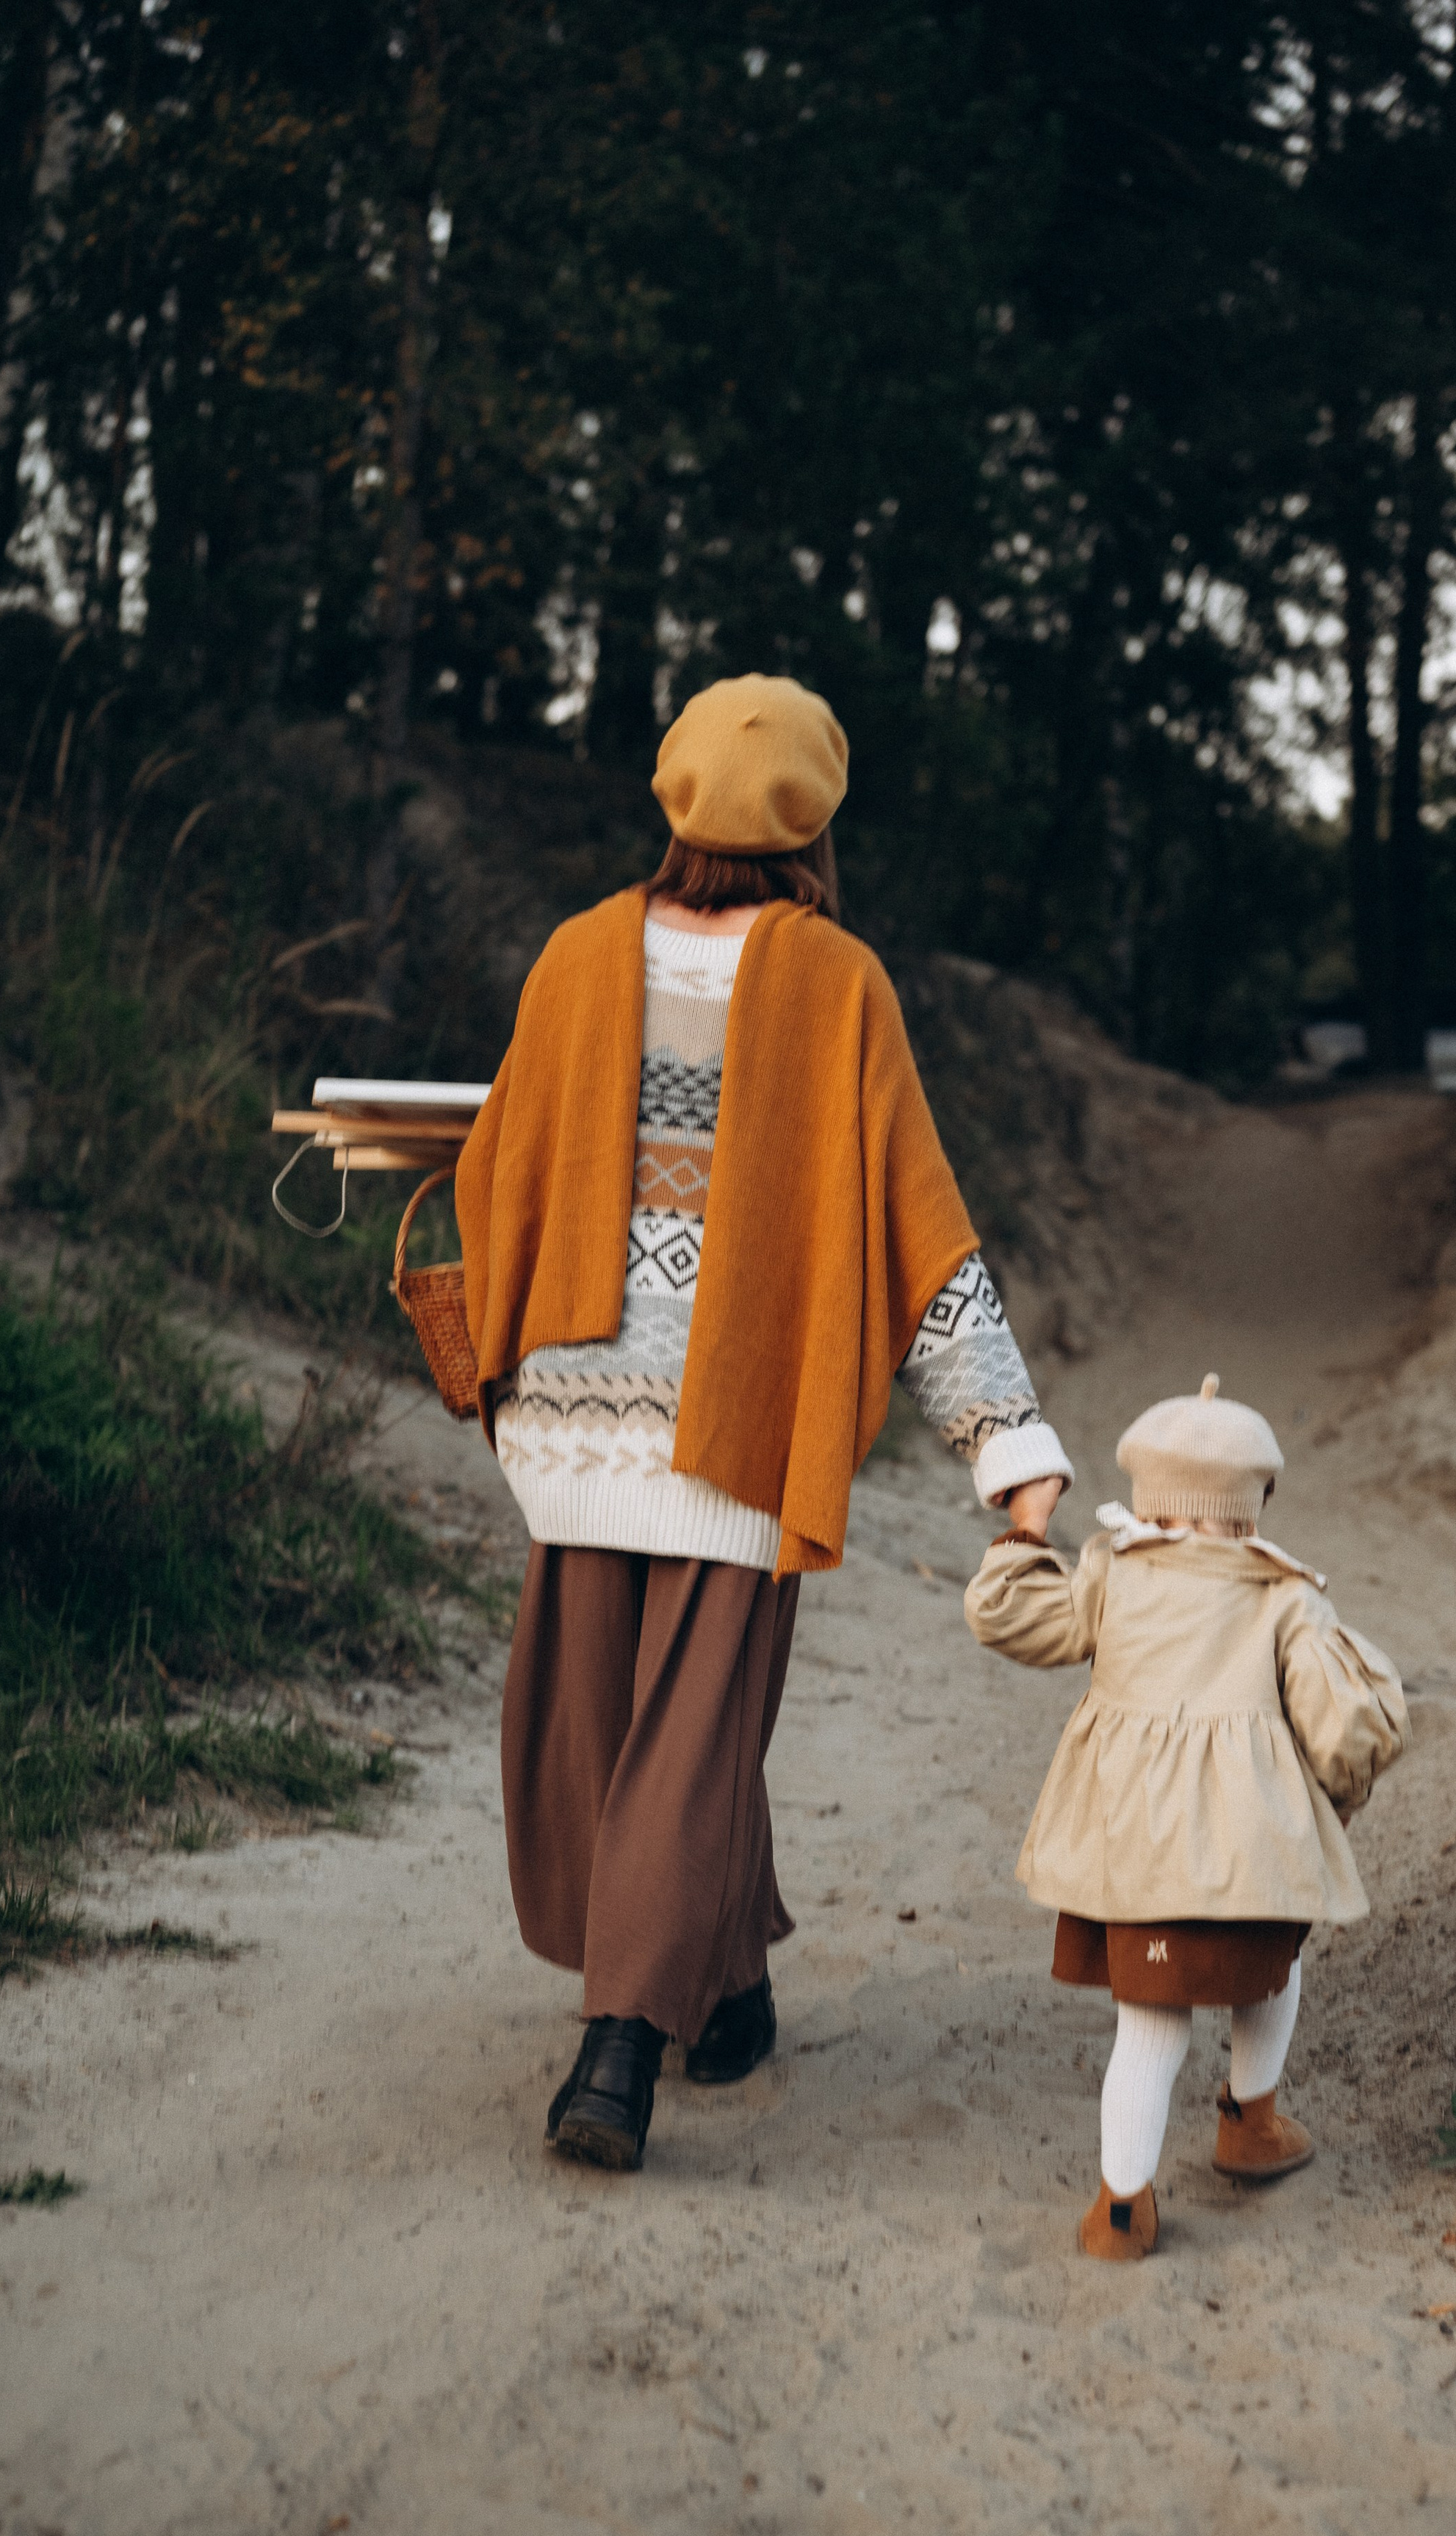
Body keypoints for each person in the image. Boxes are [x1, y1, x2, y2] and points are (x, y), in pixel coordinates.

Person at [455, 673, 1071, 2172]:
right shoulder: (835, 981)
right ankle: (621, 2054)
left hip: (577, 1418)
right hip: (733, 1422)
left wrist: (506, 1361)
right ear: (815, 818)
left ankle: (723, 1994)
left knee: (606, 1734)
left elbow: (496, 1169)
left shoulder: (577, 954)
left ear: (672, 797)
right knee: (690, 1736)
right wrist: (1008, 1449)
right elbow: (918, 1233)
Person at [963, 1374, 1408, 2261]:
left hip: (1133, 1849)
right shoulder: (1285, 1598)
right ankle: (1251, 2118)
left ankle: (1121, 2207)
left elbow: (1010, 1617)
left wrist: (1026, 1525)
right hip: (1250, 1850)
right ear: (1252, 1503)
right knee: (1270, 1973)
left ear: (1147, 1495)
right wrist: (1337, 1793)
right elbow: (1345, 1723)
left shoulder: (1110, 1574)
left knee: (1150, 2026)